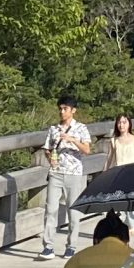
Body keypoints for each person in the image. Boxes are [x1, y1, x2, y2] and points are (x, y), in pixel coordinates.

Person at [39, 95, 93, 259]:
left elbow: (87, 150)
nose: (62, 112)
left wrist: (72, 140)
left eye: (65, 109)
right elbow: (47, 148)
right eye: (60, 109)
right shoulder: (53, 129)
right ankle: (48, 247)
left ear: (73, 110)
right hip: (56, 172)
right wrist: (50, 157)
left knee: (73, 211)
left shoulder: (81, 128)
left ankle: (71, 246)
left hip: (73, 173)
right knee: (50, 209)